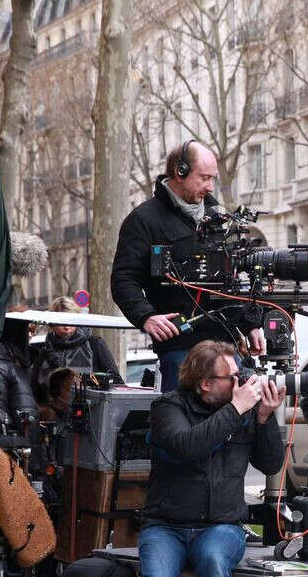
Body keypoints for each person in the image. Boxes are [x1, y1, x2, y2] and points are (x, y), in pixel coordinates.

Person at [102, 340, 284, 577]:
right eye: (231, 377)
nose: (241, 382)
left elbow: (270, 463)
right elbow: (188, 446)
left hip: (221, 525)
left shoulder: (245, 411)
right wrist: (238, 409)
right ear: (204, 383)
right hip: (166, 524)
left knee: (214, 564)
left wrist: (264, 419)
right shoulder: (168, 407)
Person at [110, 140, 265, 391]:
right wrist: (146, 317)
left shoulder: (220, 217)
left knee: (243, 421)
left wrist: (252, 323)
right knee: (178, 423)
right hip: (180, 348)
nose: (210, 186)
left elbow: (234, 280)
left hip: (226, 345)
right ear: (179, 172)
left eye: (213, 178)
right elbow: (123, 279)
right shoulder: (142, 220)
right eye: (204, 178)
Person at [30, 296, 119, 402]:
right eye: (61, 322)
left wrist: (89, 381)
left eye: (71, 320)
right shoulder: (44, 351)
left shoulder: (94, 344)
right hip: (55, 413)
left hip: (93, 409)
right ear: (52, 324)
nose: (67, 326)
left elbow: (116, 380)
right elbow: (34, 389)